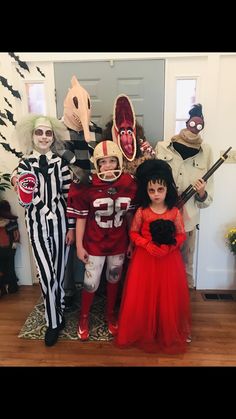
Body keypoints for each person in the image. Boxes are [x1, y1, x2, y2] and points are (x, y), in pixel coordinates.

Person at [115, 159, 191, 354]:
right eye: (152, 190)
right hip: (145, 259)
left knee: (167, 297)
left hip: (169, 260)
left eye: (160, 189)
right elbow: (133, 233)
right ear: (146, 191)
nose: (156, 194)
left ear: (167, 189)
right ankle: (145, 330)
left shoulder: (174, 212)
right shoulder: (143, 212)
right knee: (145, 295)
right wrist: (147, 244)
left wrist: (171, 248)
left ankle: (165, 330)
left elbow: (181, 234)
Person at [67, 140, 137, 341]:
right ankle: (84, 318)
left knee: (114, 278)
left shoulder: (128, 183)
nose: (107, 166)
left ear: (119, 161)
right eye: (103, 162)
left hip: (118, 242)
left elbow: (131, 216)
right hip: (95, 242)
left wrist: (131, 241)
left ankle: (110, 315)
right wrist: (79, 246)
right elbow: (80, 217)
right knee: (91, 282)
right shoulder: (87, 185)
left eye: (112, 161)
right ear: (96, 164)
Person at [14, 114, 75, 346]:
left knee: (58, 273)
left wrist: (70, 227)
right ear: (32, 135)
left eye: (48, 133)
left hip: (60, 224)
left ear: (53, 137)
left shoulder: (61, 164)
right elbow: (24, 201)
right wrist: (40, 204)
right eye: (39, 132)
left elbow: (69, 198)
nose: (43, 137)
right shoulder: (23, 165)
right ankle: (53, 322)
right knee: (47, 274)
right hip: (37, 224)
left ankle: (57, 310)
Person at [155, 104, 214, 289]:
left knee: (185, 265)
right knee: (161, 260)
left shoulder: (207, 152)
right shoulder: (163, 147)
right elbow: (153, 183)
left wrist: (202, 193)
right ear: (187, 122)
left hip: (188, 222)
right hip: (163, 217)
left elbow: (208, 198)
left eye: (199, 124)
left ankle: (182, 304)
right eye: (192, 123)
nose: (194, 127)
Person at [0, 200, 20, 296]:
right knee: (8, 268)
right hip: (8, 247)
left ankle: (9, 287)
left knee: (6, 268)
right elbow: (16, 234)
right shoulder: (12, 220)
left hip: (8, 247)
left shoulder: (11, 220)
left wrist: (15, 243)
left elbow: (16, 234)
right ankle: (9, 287)